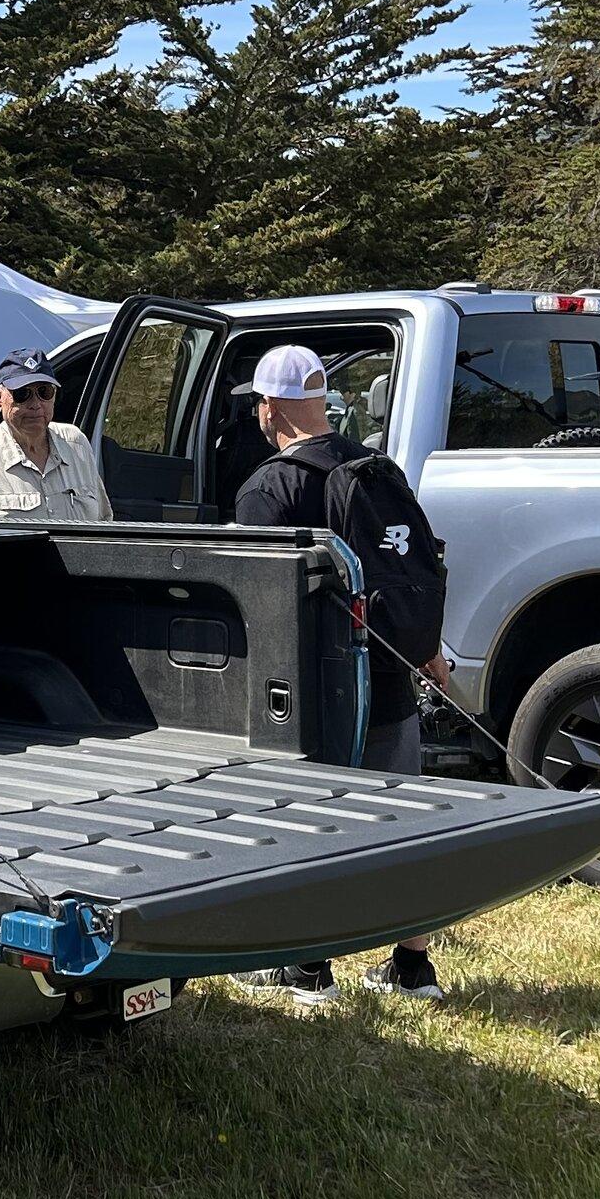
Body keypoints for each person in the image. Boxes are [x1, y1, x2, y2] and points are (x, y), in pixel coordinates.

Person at [227, 343, 450, 1005]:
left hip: (316, 689)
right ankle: (413, 970)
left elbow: (255, 605)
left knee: (312, 823)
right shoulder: (378, 469)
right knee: (402, 822)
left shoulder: (270, 487)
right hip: (391, 678)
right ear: (323, 401)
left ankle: (309, 971)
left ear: (269, 407)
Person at [0, 350, 113, 522]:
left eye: (44, 392)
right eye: (22, 394)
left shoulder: (76, 445)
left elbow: (104, 524)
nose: (35, 404)